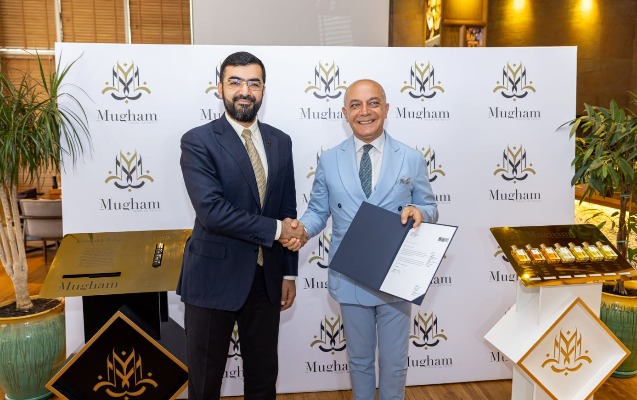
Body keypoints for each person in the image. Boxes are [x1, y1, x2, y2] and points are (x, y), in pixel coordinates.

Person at [286, 79, 438, 400]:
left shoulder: (411, 157)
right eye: (355, 105)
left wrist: (420, 212)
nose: (364, 111)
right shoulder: (329, 159)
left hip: (395, 275)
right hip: (350, 274)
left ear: (386, 108)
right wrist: (302, 230)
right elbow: (318, 211)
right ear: (345, 113)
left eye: (373, 103)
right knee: (359, 362)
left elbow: (430, 207)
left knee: (394, 364)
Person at [178, 51, 306, 400]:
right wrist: (278, 231)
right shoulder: (198, 140)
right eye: (235, 82)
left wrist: (288, 273)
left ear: (263, 89)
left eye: (253, 83)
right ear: (220, 87)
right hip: (212, 280)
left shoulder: (280, 141)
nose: (245, 91)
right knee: (205, 384)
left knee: (263, 381)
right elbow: (212, 212)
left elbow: (287, 209)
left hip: (266, 280)